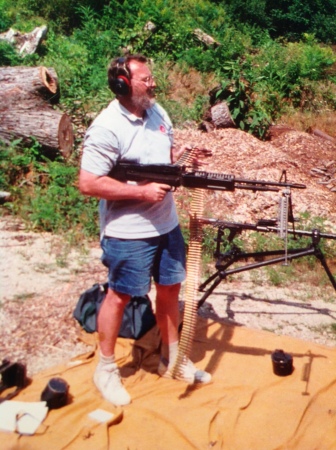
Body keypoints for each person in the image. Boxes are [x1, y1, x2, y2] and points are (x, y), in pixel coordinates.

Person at [79, 53, 211, 406]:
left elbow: (164, 161)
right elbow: (88, 182)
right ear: (122, 85)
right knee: (120, 295)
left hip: (165, 224)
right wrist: (139, 192)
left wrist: (184, 159)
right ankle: (106, 370)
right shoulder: (107, 127)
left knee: (170, 289)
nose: (153, 84)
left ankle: (173, 355)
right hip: (128, 231)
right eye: (145, 79)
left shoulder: (157, 112)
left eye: (152, 78)